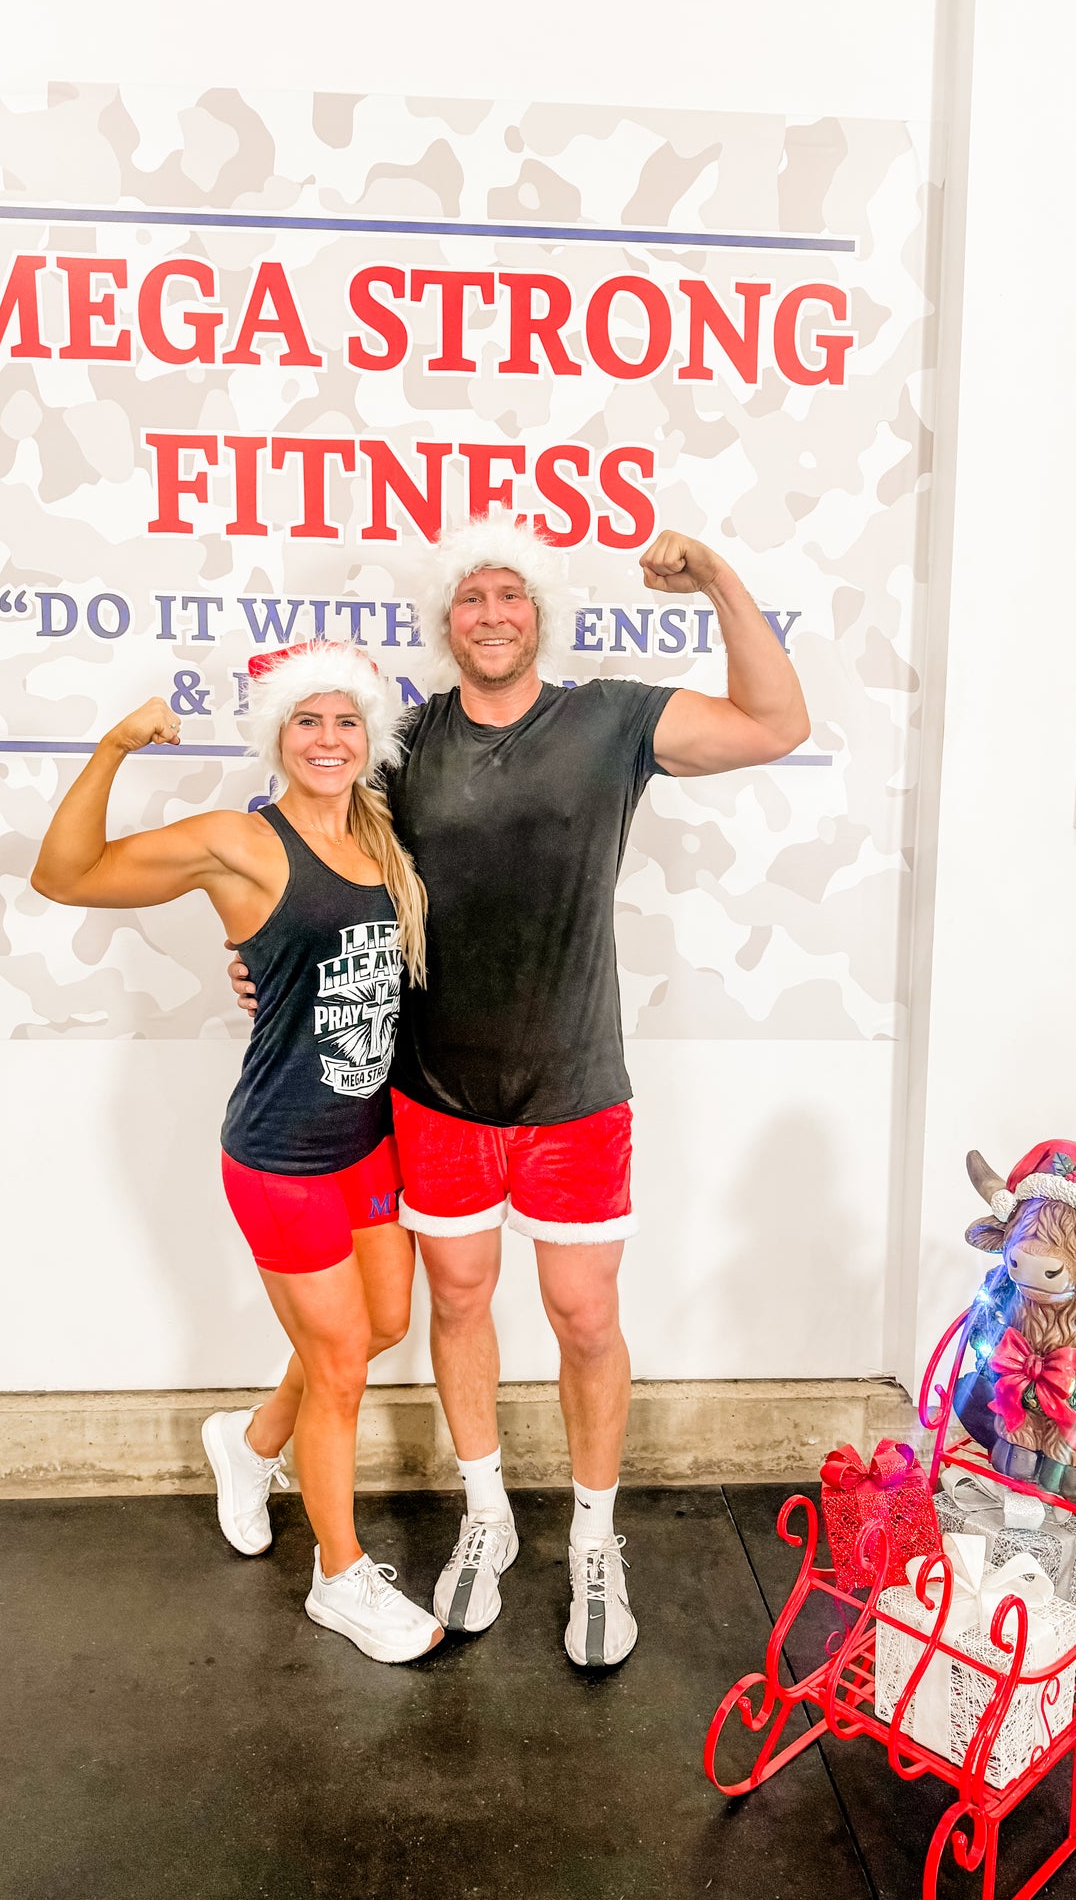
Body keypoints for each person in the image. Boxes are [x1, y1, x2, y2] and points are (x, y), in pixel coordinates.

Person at [231, 517, 810, 1668]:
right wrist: (258, 953)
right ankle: (486, 1514)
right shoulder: (404, 745)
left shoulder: (608, 720)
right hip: (435, 1090)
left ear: (536, 612)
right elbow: (307, 847)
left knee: (584, 1316)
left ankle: (593, 1538)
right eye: (470, 597)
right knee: (456, 1303)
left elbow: (774, 722)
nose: (490, 613)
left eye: (509, 594)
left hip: (573, 1088)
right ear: (446, 623)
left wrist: (716, 577)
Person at [32, 640, 443, 1664]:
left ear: (368, 736)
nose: (327, 738)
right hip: (281, 1152)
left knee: (381, 1324)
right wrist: (115, 745)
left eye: (345, 720)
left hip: (368, 1142)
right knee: (338, 1361)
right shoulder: (242, 841)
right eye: (306, 720)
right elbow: (63, 874)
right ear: (275, 734)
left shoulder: (381, 835)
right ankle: (339, 1576)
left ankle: (250, 1440)